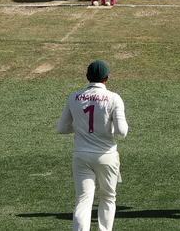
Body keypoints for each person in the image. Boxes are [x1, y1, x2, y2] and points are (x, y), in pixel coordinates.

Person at [57, 60, 129, 231]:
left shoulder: (74, 97)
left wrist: (80, 128)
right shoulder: (114, 98)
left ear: (87, 76)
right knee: (108, 198)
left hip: (81, 155)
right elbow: (122, 131)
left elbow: (62, 128)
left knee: (83, 200)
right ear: (106, 78)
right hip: (107, 155)